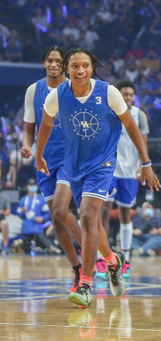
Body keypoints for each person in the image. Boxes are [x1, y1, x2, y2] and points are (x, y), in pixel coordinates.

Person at [36, 47, 160, 307]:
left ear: (92, 67)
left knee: (88, 216)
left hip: (102, 165)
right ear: (67, 69)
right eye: (74, 66)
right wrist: (39, 155)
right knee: (93, 225)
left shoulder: (109, 92)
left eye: (85, 65)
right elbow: (45, 125)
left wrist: (145, 162)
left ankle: (85, 285)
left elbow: (131, 127)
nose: (80, 70)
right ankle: (113, 262)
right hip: (74, 165)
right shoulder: (57, 96)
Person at [21, 46, 84, 292]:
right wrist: (27, 147)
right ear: (44, 63)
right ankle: (77, 269)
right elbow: (29, 131)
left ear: (65, 65)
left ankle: (93, 253)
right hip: (43, 161)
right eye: (50, 60)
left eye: (59, 61)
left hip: (70, 158)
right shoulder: (33, 90)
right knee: (57, 221)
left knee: (60, 209)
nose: (54, 64)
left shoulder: (75, 88)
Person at [100, 80, 149, 279]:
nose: (128, 97)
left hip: (130, 171)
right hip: (110, 170)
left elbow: (143, 144)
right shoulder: (109, 112)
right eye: (124, 94)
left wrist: (142, 166)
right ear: (118, 95)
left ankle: (125, 260)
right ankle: (102, 260)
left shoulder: (140, 115)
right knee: (103, 211)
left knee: (125, 213)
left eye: (130, 94)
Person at [16, 179, 60, 254]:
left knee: (42, 237)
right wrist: (22, 211)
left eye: (34, 185)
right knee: (25, 246)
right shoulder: (23, 200)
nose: (32, 187)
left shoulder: (41, 199)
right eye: (30, 185)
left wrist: (42, 218)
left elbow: (47, 213)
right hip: (26, 228)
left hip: (37, 227)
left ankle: (51, 248)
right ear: (27, 187)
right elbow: (18, 212)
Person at [0, 184, 11, 254]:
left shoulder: (5, 197)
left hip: (1, 219)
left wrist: (2, 212)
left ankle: (5, 246)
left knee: (5, 223)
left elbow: (8, 212)